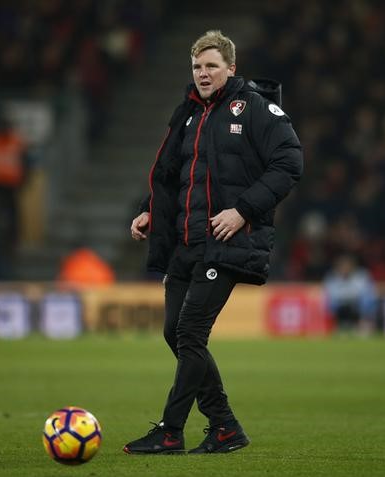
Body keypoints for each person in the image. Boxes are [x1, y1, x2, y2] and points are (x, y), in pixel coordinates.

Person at [124, 30, 303, 454]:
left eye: (211, 66)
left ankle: (170, 431)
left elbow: (290, 161)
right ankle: (224, 427)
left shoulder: (256, 109)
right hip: (186, 242)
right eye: (197, 67)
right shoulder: (186, 113)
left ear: (231, 69)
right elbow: (174, 173)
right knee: (174, 332)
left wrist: (242, 210)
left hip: (228, 240)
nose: (203, 74)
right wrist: (152, 209)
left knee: (189, 331)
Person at [323, 254, 378, 334]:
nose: (345, 269)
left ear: (352, 267)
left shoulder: (361, 275)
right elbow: (331, 293)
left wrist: (348, 295)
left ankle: (364, 325)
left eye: (347, 266)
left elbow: (364, 290)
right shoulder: (332, 277)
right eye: (342, 267)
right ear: (338, 268)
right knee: (330, 302)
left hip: (356, 301)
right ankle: (335, 326)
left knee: (367, 299)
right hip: (340, 303)